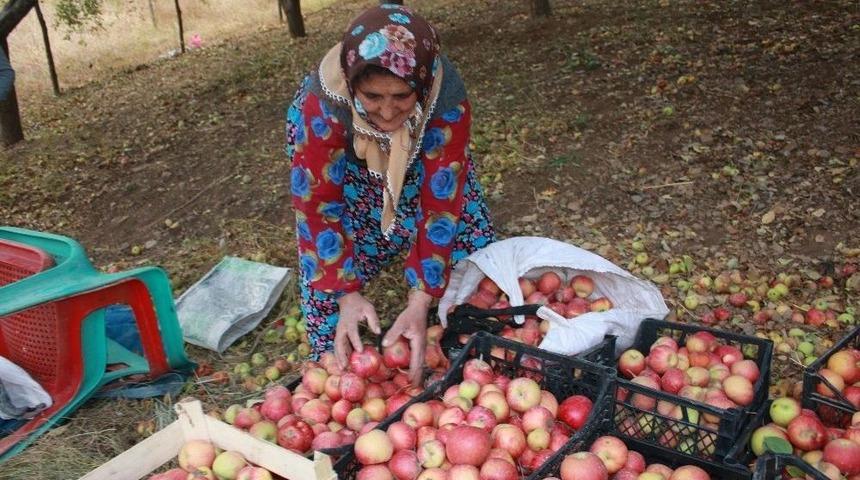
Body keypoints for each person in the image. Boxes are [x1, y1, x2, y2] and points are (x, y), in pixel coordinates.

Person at [285, 4, 495, 385]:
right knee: (333, 258)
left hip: (418, 147)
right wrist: (346, 292)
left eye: (401, 95)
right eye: (372, 96)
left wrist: (420, 299)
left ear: (422, 83)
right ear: (352, 84)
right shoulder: (324, 105)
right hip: (343, 155)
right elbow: (318, 206)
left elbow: (440, 205)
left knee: (465, 230)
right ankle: (338, 359)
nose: (385, 111)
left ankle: (456, 327)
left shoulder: (444, 98)